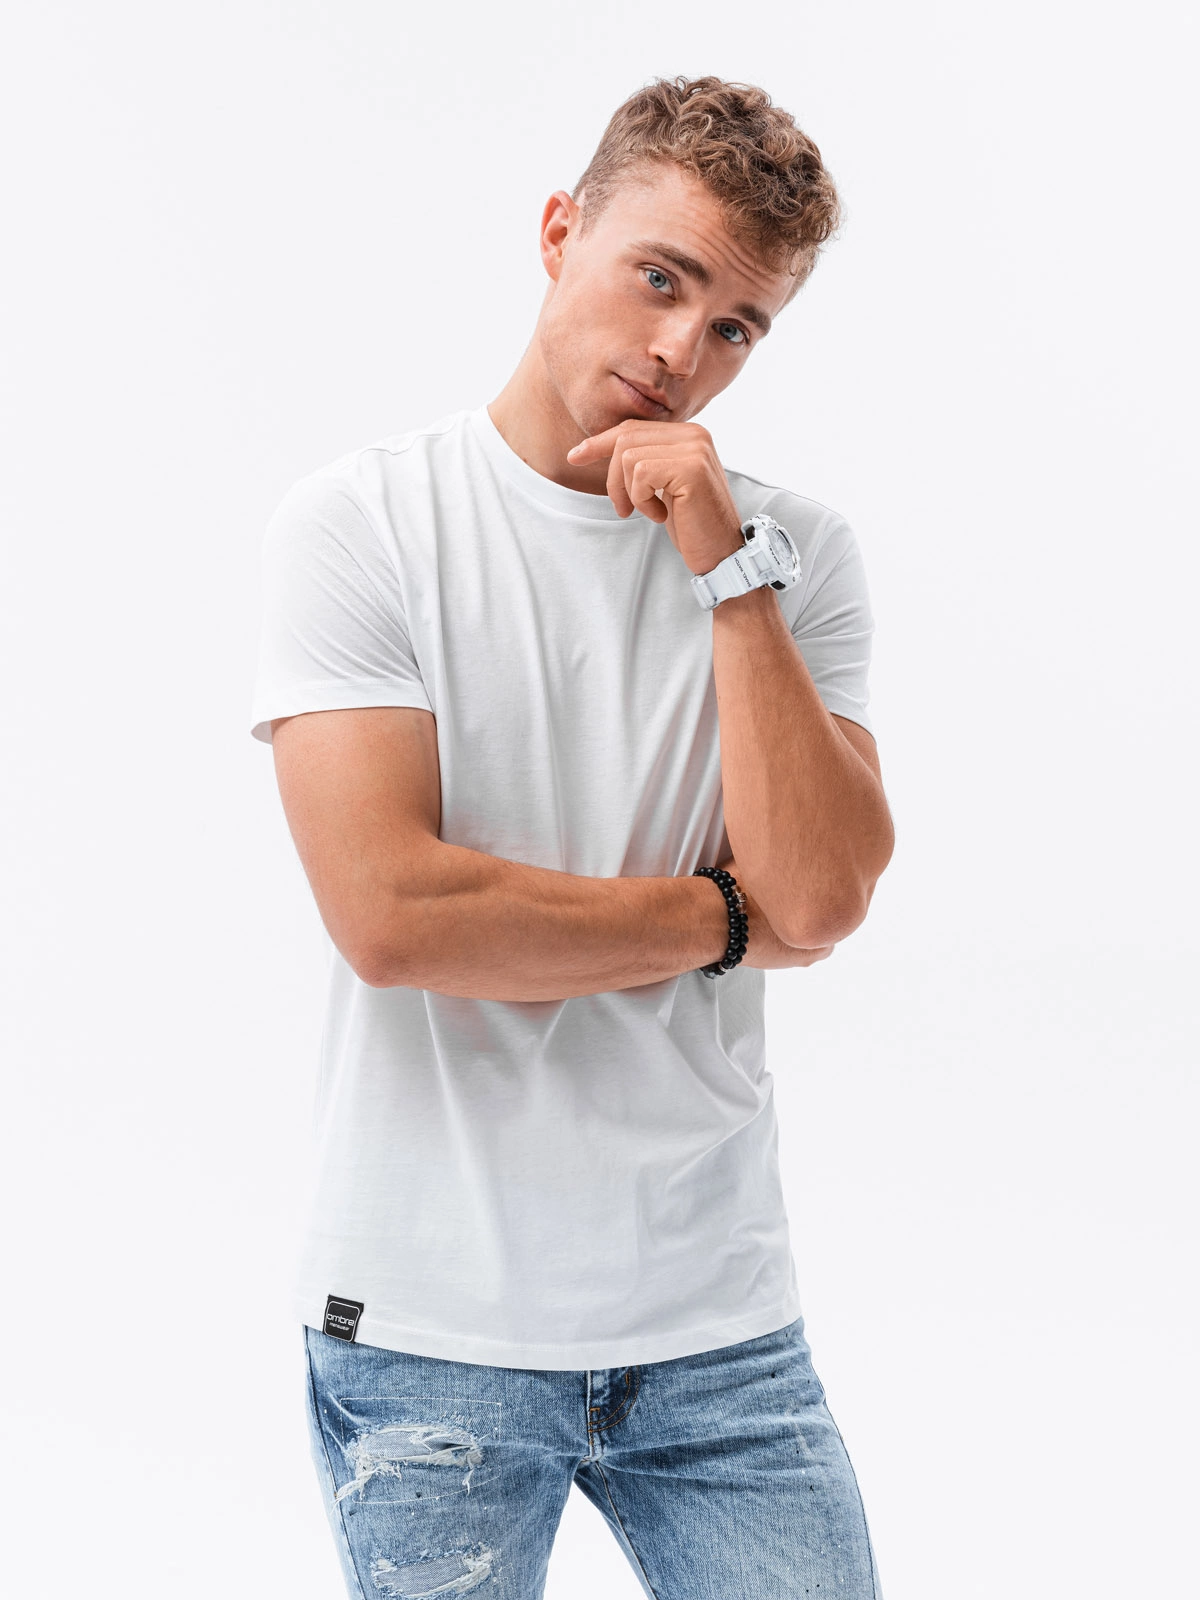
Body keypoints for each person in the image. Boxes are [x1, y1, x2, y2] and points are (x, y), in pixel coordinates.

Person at [249, 72, 894, 1600]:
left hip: (719, 1327)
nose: (682, 352)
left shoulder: (793, 554)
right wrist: (721, 920)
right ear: (559, 232)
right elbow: (396, 917)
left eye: (736, 327)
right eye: (659, 279)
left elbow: (822, 898)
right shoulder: (364, 526)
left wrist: (727, 573)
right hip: (433, 1326)